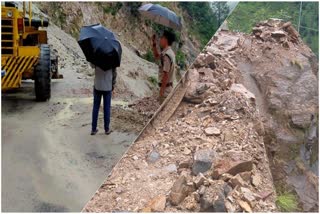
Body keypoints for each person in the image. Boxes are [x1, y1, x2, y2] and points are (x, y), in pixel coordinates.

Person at [90, 63, 117, 135]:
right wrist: (113, 84)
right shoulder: (112, 58)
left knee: (95, 107)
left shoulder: (97, 55)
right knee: (107, 108)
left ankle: (93, 129)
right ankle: (107, 129)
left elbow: (92, 66)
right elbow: (114, 73)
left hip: (97, 85)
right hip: (107, 86)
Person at [151, 30, 176, 103]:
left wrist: (161, 91)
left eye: (162, 38)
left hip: (166, 90)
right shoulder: (168, 52)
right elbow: (157, 56)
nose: (160, 40)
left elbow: (166, 74)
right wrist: (154, 44)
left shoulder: (167, 55)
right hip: (167, 87)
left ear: (165, 39)